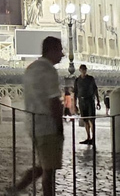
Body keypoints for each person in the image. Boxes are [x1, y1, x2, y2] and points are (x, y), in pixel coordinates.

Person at [8, 36, 64, 196]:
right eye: (59, 50)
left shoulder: (31, 68)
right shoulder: (49, 71)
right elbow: (54, 102)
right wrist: (59, 127)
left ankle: (15, 189)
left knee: (42, 165)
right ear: (51, 50)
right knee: (49, 171)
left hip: (32, 124)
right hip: (47, 126)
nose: (62, 54)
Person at [74, 64, 101, 145]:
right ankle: (88, 137)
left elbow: (95, 89)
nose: (83, 71)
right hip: (81, 101)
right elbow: (76, 92)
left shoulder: (90, 79)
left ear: (86, 70)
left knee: (91, 120)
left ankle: (93, 137)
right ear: (80, 70)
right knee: (85, 120)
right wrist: (74, 104)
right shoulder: (77, 80)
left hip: (90, 101)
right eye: (82, 69)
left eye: (84, 69)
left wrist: (98, 101)